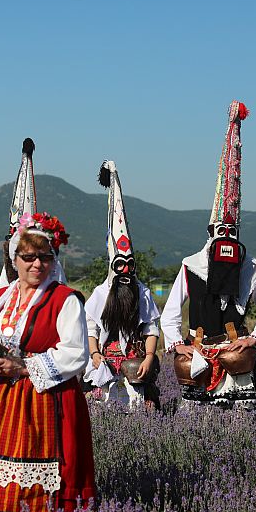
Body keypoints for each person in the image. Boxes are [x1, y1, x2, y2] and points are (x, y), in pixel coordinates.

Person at [0, 212, 95, 512]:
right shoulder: (0, 298)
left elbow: (76, 353)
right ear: (15, 259)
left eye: (45, 257)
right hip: (0, 401)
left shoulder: (64, 299)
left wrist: (23, 366)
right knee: (2, 485)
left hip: (45, 401)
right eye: (29, 257)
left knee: (40, 488)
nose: (37, 265)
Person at [160, 101, 256, 409]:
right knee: (195, 421)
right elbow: (170, 312)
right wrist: (176, 344)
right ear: (212, 232)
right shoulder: (191, 265)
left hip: (235, 354)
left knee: (243, 421)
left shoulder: (248, 264)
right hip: (197, 354)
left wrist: (254, 340)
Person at [85, 160, 161, 411]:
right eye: (121, 265)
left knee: (140, 403)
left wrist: (150, 357)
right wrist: (95, 354)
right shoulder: (101, 293)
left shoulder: (143, 292)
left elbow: (151, 327)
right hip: (105, 359)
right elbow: (92, 328)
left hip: (135, 358)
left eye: (130, 264)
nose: (126, 271)